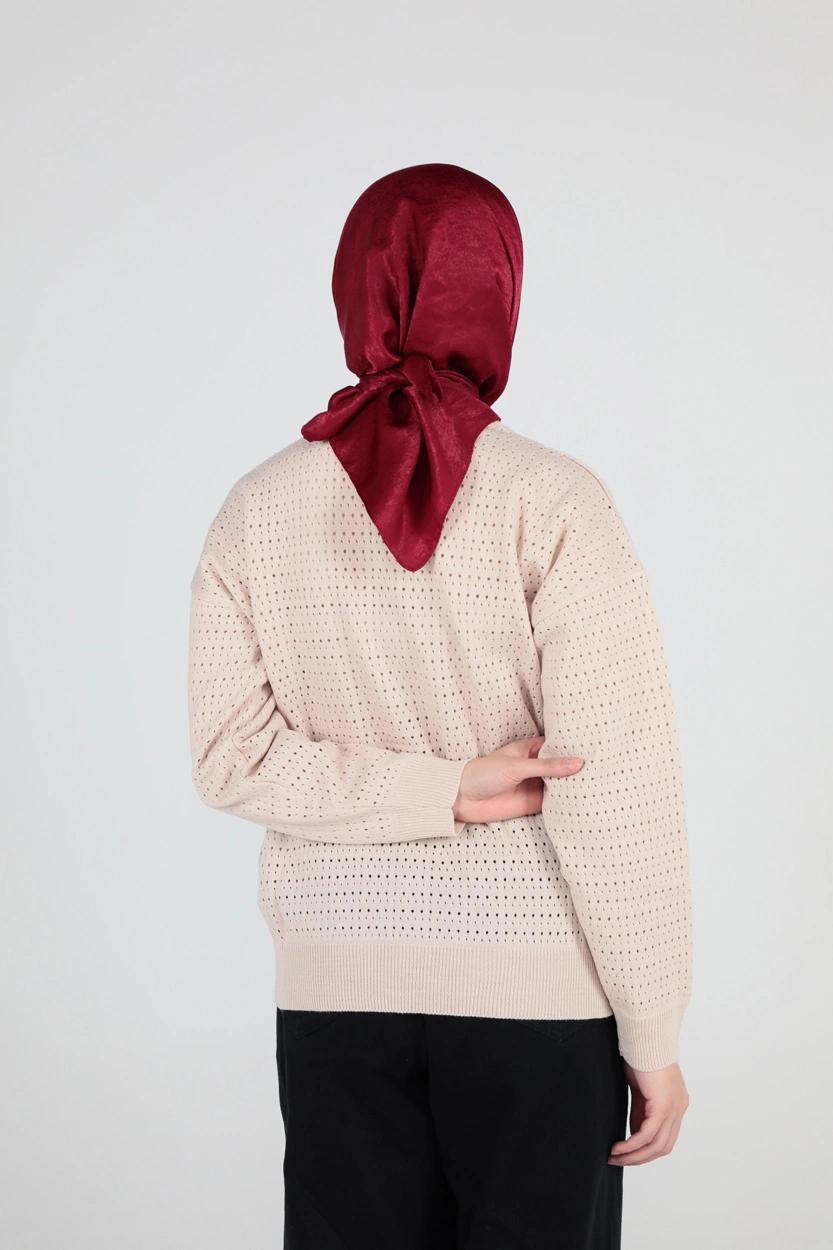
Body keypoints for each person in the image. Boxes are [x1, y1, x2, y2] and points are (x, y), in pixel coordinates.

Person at [187, 162, 693, 1249]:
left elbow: (230, 757)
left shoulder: (256, 509)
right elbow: (614, 787)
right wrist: (651, 1030)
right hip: (535, 1001)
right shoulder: (553, 499)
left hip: (334, 996)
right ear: (498, 290)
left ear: (352, 292)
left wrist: (428, 791)